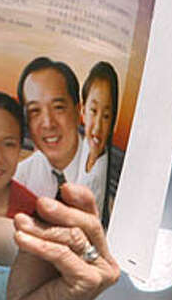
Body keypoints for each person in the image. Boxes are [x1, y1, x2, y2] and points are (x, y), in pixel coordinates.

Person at [14, 57, 106, 212]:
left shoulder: (100, 168)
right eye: (35, 111)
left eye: (58, 107)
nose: (48, 123)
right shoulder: (19, 179)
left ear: (78, 112)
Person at [80, 62, 120, 228]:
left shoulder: (99, 180)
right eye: (94, 111)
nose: (97, 127)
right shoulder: (81, 147)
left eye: (106, 116)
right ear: (82, 111)